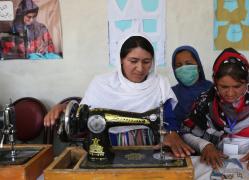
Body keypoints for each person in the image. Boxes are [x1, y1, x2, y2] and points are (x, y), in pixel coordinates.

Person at [44, 33, 194, 157]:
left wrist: (172, 133)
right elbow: (83, 116)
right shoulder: (101, 83)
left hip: (151, 148)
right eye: (133, 61)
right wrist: (63, 108)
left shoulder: (160, 83)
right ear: (121, 59)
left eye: (147, 61)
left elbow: (168, 117)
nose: (140, 68)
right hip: (110, 147)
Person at [182, 47, 249, 173]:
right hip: (215, 163)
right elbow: (185, 132)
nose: (230, 93)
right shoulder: (205, 102)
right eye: (223, 87)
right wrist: (204, 145)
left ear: (247, 82)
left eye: (237, 86)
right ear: (215, 82)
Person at [171, 45, 212, 124]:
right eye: (179, 65)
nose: (184, 68)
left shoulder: (211, 89)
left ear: (198, 66)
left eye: (188, 63)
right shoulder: (171, 93)